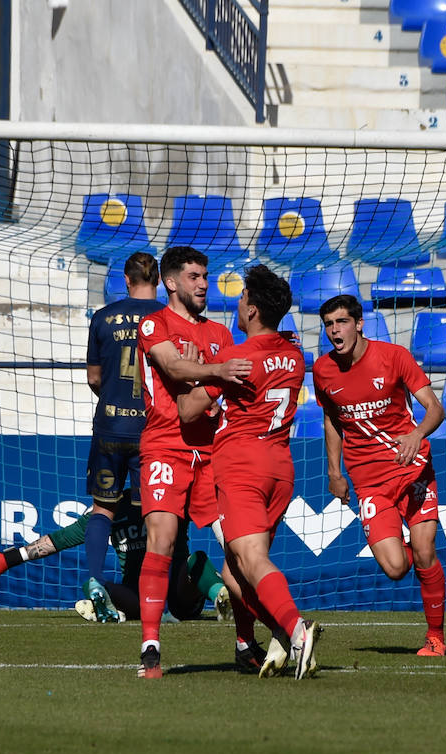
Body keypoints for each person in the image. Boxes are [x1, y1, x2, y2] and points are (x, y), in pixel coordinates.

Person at [177, 265, 321, 679]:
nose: (237, 304)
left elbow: (188, 412)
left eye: (242, 298)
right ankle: (259, 640)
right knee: (235, 569)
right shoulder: (295, 355)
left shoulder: (235, 358)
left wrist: (198, 372)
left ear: (253, 309)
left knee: (252, 560)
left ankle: (294, 630)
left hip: (242, 464)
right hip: (279, 466)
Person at [133, 245, 252, 679]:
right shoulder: (154, 323)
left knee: (240, 549)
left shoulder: (219, 333)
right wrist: (213, 372)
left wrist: (211, 373)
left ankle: (245, 641)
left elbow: (214, 386)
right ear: (170, 281)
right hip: (165, 446)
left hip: (214, 451)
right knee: (161, 539)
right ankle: (150, 647)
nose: (204, 284)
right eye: (195, 276)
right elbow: (173, 367)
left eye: (206, 276)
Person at [314, 294, 446, 656]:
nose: (334, 331)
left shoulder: (394, 357)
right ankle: (422, 568)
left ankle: (435, 638)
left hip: (412, 468)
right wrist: (333, 471)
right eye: (328, 324)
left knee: (424, 551)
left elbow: (435, 408)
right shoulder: (322, 370)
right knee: (395, 567)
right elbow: (331, 418)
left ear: (359, 323)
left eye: (341, 322)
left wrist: (417, 434)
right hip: (369, 482)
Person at [0, 488, 229, 623]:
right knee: (95, 585)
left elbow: (215, 515)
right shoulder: (109, 511)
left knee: (197, 560)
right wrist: (8, 559)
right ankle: (112, 610)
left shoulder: (171, 498)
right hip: (141, 597)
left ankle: (222, 596)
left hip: (179, 594)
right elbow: (60, 540)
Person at [82, 252, 165, 623]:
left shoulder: (102, 318)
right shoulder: (168, 318)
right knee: (156, 515)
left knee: (103, 509)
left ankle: (96, 581)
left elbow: (94, 379)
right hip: (151, 429)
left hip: (110, 427)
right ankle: (154, 597)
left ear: (126, 280)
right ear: (159, 280)